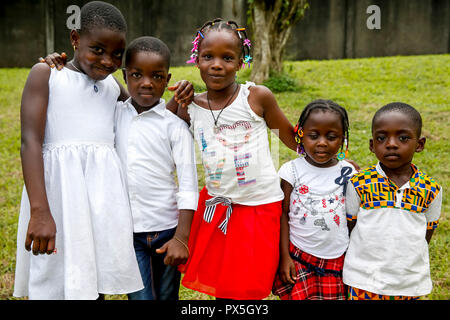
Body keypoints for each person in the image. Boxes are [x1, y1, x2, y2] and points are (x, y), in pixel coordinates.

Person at [14, 1, 144, 299]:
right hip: (58, 198)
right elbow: (30, 141)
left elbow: (142, 110)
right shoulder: (46, 75)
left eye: (116, 54)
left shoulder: (112, 87)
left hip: (99, 201)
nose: (108, 61)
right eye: (97, 49)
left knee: (90, 275)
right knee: (55, 277)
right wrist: (40, 212)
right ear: (75, 40)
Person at [174, 18, 298, 300]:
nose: (217, 65)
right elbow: (163, 129)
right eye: (208, 57)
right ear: (196, 60)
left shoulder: (256, 97)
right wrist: (178, 94)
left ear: (242, 62)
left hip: (259, 207)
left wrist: (337, 159)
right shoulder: (191, 106)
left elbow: (291, 138)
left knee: (249, 287)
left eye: (227, 58)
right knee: (225, 285)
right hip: (219, 207)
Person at [115, 36, 198, 300]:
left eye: (157, 76)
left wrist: (182, 238)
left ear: (168, 78)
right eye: (137, 74)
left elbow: (188, 184)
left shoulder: (174, 126)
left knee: (166, 297)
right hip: (127, 232)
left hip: (167, 231)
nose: (147, 83)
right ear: (125, 75)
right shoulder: (114, 115)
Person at [343, 102, 442, 300]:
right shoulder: (359, 183)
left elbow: (427, 231)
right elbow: (351, 223)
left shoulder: (431, 189)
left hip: (408, 283)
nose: (391, 144)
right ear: (372, 145)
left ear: (420, 144)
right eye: (381, 138)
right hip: (364, 280)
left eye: (403, 138)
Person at [271, 100, 357, 300]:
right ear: (300, 134)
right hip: (299, 255)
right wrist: (284, 257)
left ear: (343, 138)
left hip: (338, 255)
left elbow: (354, 216)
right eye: (313, 135)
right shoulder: (290, 171)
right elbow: (282, 215)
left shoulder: (349, 172)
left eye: (332, 136)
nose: (322, 143)